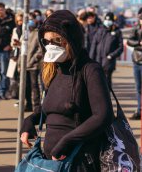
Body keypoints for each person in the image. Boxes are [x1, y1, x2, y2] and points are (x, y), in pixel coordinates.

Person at [20, 10, 113, 171]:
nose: (51, 46)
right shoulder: (54, 70)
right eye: (47, 41)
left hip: (80, 160)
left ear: (71, 40)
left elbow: (103, 116)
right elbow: (52, 107)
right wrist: (30, 120)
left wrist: (67, 141)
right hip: (52, 161)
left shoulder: (90, 70)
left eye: (57, 41)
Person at [89, 12, 123, 89]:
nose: (107, 22)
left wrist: (111, 55)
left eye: (109, 20)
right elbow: (94, 45)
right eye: (106, 20)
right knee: (97, 82)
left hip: (108, 62)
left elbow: (120, 48)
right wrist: (91, 59)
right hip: (98, 60)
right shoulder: (100, 30)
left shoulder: (117, 32)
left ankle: (106, 99)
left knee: (106, 84)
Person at [24, 13, 43, 112]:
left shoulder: (38, 33)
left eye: (31, 20)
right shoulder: (25, 33)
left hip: (34, 65)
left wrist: (33, 59)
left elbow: (40, 50)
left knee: (34, 85)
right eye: (28, 20)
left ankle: (37, 106)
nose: (30, 22)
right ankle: (28, 104)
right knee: (25, 86)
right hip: (24, 65)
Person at [126, 9, 142, 120]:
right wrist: (139, 43)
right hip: (137, 59)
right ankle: (139, 109)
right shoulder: (136, 29)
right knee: (138, 88)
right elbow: (129, 41)